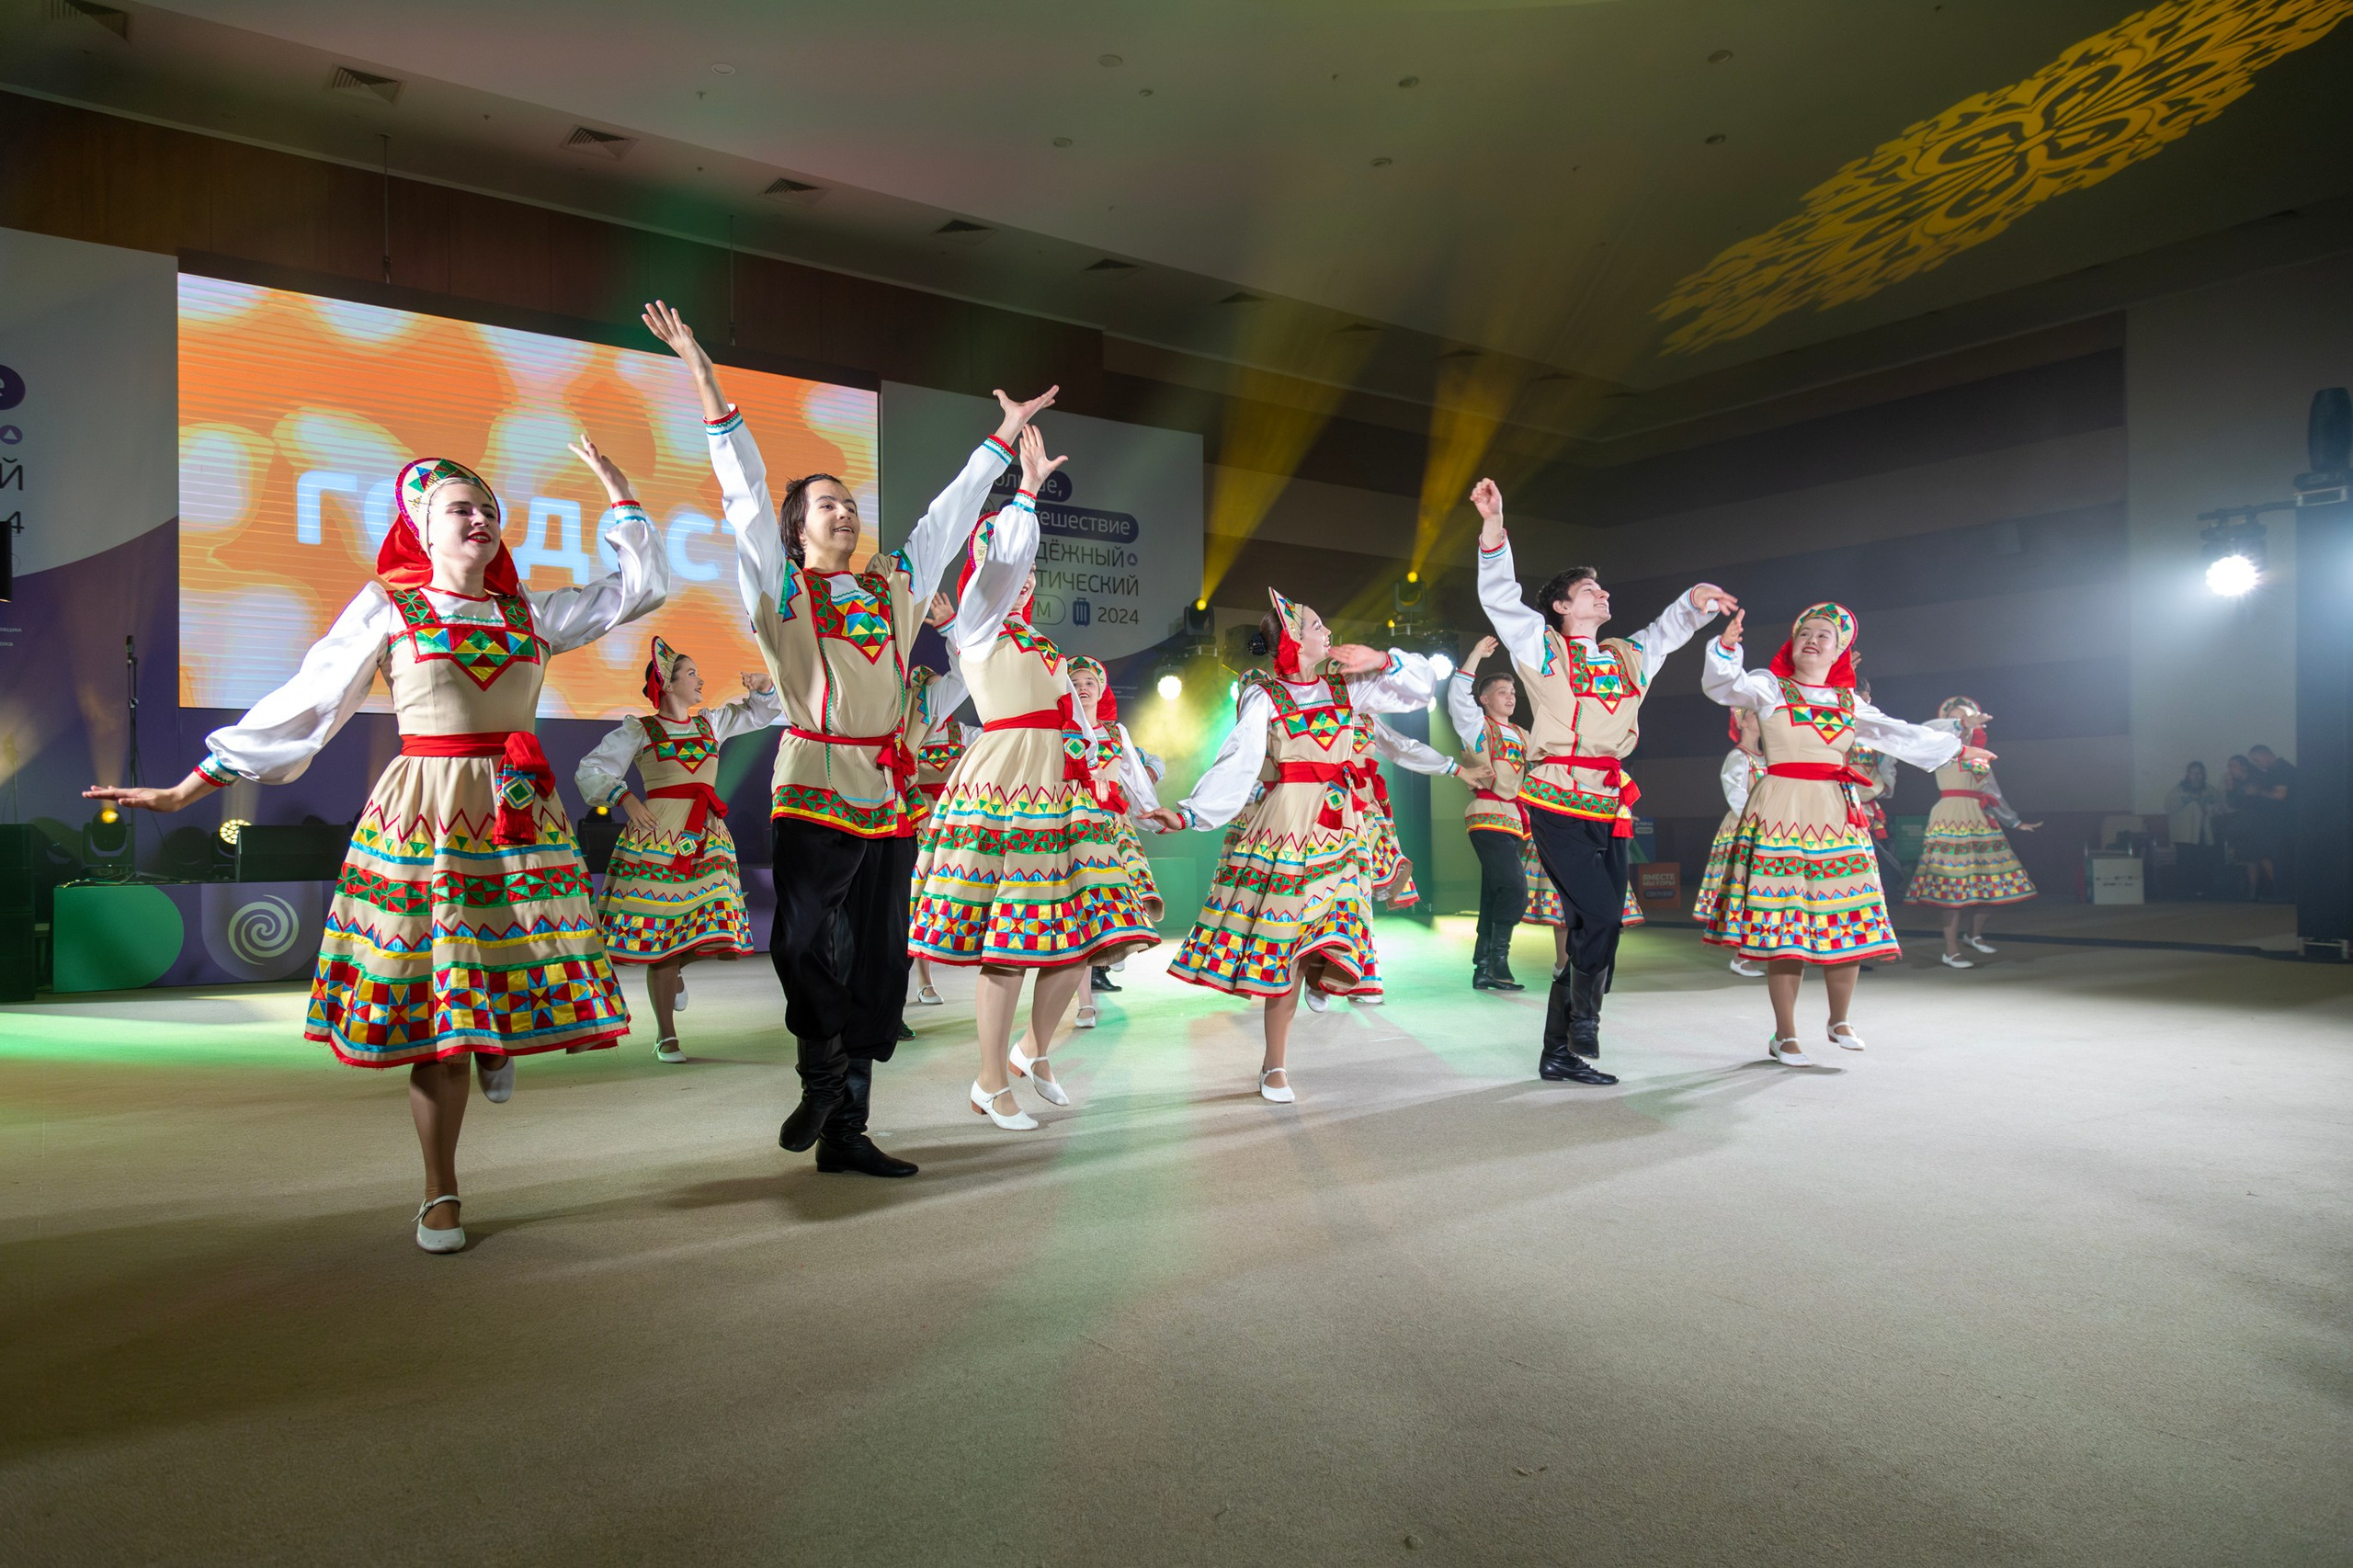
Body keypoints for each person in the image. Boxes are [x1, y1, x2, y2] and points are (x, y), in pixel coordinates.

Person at [87, 441, 665, 1252]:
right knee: (436, 1012)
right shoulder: (391, 607)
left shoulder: (528, 614)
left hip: (519, 813)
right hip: (426, 814)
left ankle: (493, 1037)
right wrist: (189, 787)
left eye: (489, 509)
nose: (480, 519)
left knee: (501, 973)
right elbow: (309, 700)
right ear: (420, 526)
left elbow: (638, 591)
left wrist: (620, 495)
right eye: (460, 508)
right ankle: (441, 1189)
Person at [643, 299, 1055, 1176]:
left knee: (876, 955)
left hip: (888, 787)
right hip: (813, 773)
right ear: (798, 530)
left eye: (849, 505)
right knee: (798, 941)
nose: (844, 514)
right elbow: (745, 498)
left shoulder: (897, 586)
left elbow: (944, 522)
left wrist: (999, 444)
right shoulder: (781, 590)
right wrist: (707, 382)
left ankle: (847, 1126)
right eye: (827, 506)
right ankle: (821, 1070)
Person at [909, 428, 1162, 1129]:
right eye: (1010, 566)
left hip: (1059, 786)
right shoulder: (976, 625)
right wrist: (1024, 490)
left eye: (1029, 571)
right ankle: (990, 1080)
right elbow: (997, 568)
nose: (1024, 576)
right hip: (1006, 779)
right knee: (1008, 942)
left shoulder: (1041, 642)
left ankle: (1033, 1051)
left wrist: (1138, 800)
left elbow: (1085, 729)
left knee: (1073, 937)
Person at [1471, 477, 1735, 1085]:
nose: (1602, 594)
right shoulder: (1540, 649)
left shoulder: (1624, 656)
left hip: (1609, 801)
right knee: (1601, 913)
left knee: (1598, 923)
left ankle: (1557, 1051)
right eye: (1589, 590)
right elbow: (1501, 596)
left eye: (1601, 588)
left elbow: (1667, 631)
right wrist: (1493, 527)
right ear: (1562, 605)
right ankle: (1584, 1023)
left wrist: (1695, 601)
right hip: (1553, 798)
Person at [1144, 590, 1441, 1102]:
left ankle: (1323, 974)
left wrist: (1384, 659)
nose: (1328, 632)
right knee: (1283, 951)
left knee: (1338, 920)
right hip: (1286, 823)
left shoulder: (1349, 685)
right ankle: (1274, 1064)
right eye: (1318, 626)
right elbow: (1237, 763)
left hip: (1342, 827)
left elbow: (1419, 689)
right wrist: (1190, 812)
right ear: (1293, 642)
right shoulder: (1266, 696)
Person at [1699, 605, 1988, 1065]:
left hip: (1835, 812)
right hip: (1782, 809)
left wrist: (1957, 747)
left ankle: (1840, 1019)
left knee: (1847, 911)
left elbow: (1901, 734)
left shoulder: (1848, 702)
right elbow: (1723, 686)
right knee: (1783, 924)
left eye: (1824, 636)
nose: (1812, 640)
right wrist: (1728, 647)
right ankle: (1785, 1034)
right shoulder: (1770, 687)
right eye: (1804, 633)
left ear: (1839, 651)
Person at [575, 637, 781, 1062]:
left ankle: (675, 976)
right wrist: (625, 799)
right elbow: (592, 768)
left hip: (707, 838)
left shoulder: (711, 723)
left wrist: (763, 685)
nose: (700, 680)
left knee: (709, 929)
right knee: (661, 935)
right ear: (667, 685)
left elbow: (762, 712)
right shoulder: (641, 729)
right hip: (657, 839)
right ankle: (666, 1034)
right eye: (691, 673)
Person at [1063, 655, 1165, 1030]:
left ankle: (1112, 952)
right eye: (1076, 680)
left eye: (1090, 681)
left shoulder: (1116, 732)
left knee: (1112, 903)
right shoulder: (1058, 729)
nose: (1084, 686)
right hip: (1072, 824)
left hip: (1112, 825)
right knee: (1080, 911)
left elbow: (1136, 780)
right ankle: (1085, 1002)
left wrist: (1155, 817)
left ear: (1102, 689)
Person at [1904, 696, 2040, 968]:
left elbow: (1993, 793)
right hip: (1951, 816)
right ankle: (1950, 949)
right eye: (1954, 718)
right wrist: (1960, 722)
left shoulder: (1979, 758)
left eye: (1968, 717)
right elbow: (1928, 728)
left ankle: (1973, 935)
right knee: (1953, 889)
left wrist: (2013, 822)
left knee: (1988, 882)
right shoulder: (1941, 751)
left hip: (1979, 817)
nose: (1963, 723)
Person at [1445, 635, 1537, 991]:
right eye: (1502, 692)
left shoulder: (1522, 734)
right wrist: (1474, 656)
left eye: (1513, 692)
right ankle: (1500, 960)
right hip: (1487, 816)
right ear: (1484, 699)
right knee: (1515, 888)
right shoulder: (1477, 728)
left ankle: (1483, 967)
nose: (1510, 697)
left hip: (1515, 821)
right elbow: (1457, 698)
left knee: (1496, 892)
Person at [904, 593, 972, 1009]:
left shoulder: (961, 734)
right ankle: (923, 979)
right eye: (925, 690)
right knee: (914, 896)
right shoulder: (899, 725)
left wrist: (951, 631)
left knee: (942, 897)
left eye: (936, 690)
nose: (933, 699)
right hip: (911, 816)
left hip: (948, 822)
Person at [1691, 708, 1768, 977]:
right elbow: (1735, 792)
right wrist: (1756, 820)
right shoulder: (1739, 757)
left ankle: (1753, 949)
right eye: (1756, 714)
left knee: (1759, 889)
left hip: (1765, 827)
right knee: (1743, 888)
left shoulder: (1767, 757)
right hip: (1745, 826)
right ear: (1743, 721)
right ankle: (1740, 956)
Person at [2164, 760, 2224, 900]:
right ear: (2188, 774)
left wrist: (2209, 802)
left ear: (2203, 775)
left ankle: (2202, 891)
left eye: (2199, 773)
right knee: (2185, 862)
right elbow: (2169, 805)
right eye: (2193, 773)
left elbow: (2218, 804)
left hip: (2202, 833)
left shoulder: (2209, 789)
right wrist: (2189, 799)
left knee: (2203, 862)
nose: (2196, 776)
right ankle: (2185, 891)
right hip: (2184, 834)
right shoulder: (2179, 790)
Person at [2245, 744, 2297, 900]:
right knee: (2280, 859)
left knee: (2283, 859)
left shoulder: (2281, 769)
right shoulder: (2276, 770)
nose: (2256, 763)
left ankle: (2286, 894)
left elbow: (2280, 795)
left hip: (2287, 824)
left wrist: (2258, 791)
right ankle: (2285, 894)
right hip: (2284, 824)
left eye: (2256, 759)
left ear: (2265, 754)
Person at [2222, 754, 2270, 900]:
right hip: (2245, 825)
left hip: (2260, 824)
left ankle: (2280, 889)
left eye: (2232, 765)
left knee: (2264, 857)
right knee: (2250, 858)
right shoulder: (2236, 782)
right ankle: (2253, 893)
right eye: (2229, 766)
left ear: (2242, 766)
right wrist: (2230, 787)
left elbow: (2262, 801)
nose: (2229, 769)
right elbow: (2233, 804)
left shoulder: (2256, 777)